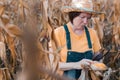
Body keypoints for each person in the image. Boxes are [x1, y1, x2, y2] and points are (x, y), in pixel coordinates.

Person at [49, 0, 103, 79]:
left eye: (88, 18)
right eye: (82, 17)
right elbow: (52, 65)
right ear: (73, 15)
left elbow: (98, 57)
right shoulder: (58, 33)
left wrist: (97, 65)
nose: (85, 22)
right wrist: (77, 64)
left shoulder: (92, 33)